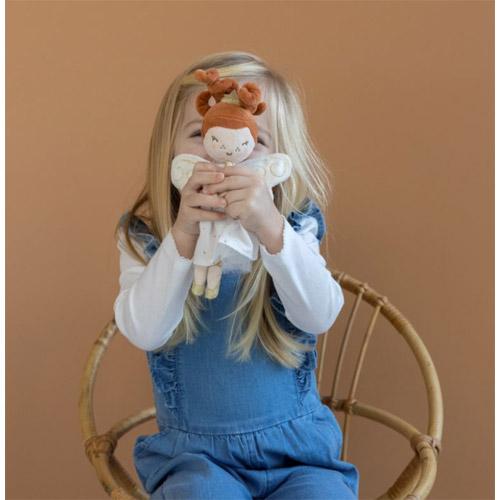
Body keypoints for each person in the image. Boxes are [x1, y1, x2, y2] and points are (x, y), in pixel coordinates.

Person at [113, 51, 360, 500]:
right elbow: (145, 330)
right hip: (196, 460)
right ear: (170, 152)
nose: (220, 151)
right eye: (199, 134)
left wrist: (270, 228)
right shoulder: (146, 236)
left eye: (254, 140)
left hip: (299, 456)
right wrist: (183, 236)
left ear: (278, 161)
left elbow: (319, 315)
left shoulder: (294, 225)